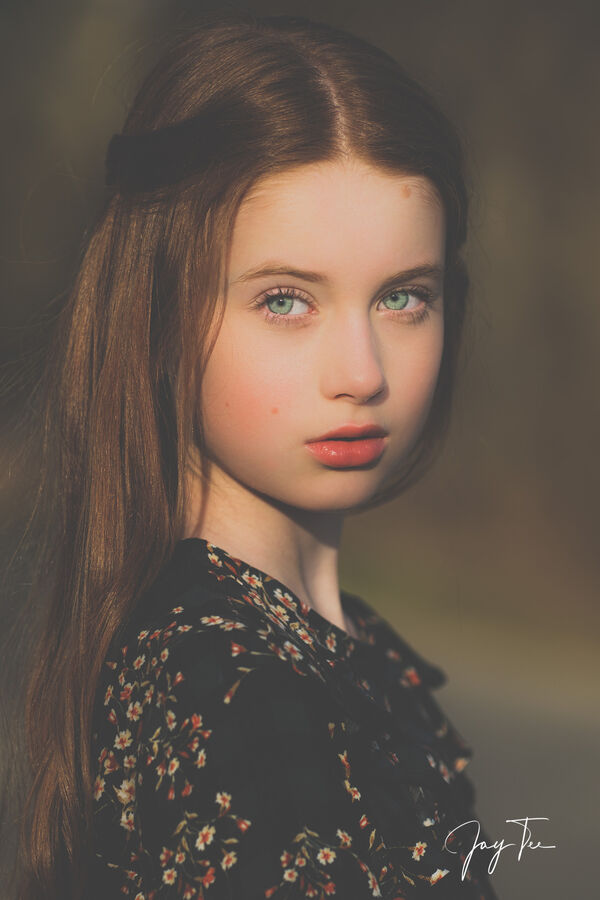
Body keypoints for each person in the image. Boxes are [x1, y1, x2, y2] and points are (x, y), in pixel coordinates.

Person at [18, 12, 500, 900]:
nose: (362, 373)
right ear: (159, 312)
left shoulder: (315, 651)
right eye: (285, 300)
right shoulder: (232, 696)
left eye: (403, 297)